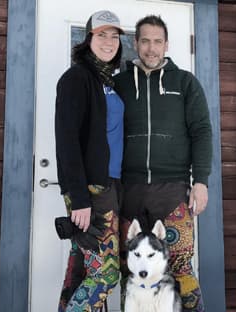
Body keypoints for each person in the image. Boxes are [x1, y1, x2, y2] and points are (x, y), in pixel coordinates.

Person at [114, 15, 212, 312]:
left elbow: (201, 132)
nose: (151, 48)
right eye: (145, 41)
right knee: (130, 270)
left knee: (180, 266)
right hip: (128, 190)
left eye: (158, 41)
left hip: (173, 190)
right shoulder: (118, 84)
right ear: (135, 43)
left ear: (166, 44)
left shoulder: (184, 83)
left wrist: (201, 181)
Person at [54, 10, 125, 311]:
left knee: (81, 271)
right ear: (88, 39)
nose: (109, 42)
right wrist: (79, 196)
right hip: (90, 191)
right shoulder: (76, 78)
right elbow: (66, 141)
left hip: (109, 184)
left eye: (114, 35)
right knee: (106, 275)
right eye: (101, 35)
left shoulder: (105, 80)